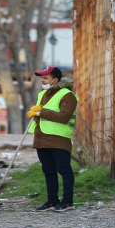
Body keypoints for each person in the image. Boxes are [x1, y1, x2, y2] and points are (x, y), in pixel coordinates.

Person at [28, 66, 79, 212]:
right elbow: (41, 113)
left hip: (58, 138)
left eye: (45, 78)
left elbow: (64, 117)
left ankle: (68, 201)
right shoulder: (42, 94)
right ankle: (52, 200)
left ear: (55, 80)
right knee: (48, 171)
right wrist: (34, 114)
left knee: (64, 169)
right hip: (41, 138)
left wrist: (40, 113)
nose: (42, 80)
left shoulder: (67, 95)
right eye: (41, 78)